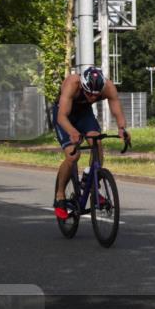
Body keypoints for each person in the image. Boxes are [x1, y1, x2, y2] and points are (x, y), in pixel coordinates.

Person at [52, 67, 129, 219]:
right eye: (88, 94)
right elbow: (62, 117)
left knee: (97, 141)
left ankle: (92, 185)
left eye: (96, 95)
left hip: (84, 114)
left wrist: (122, 128)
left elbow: (117, 110)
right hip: (64, 115)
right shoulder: (72, 83)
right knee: (73, 155)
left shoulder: (108, 87)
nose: (93, 98)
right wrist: (73, 132)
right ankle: (59, 195)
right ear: (82, 85)